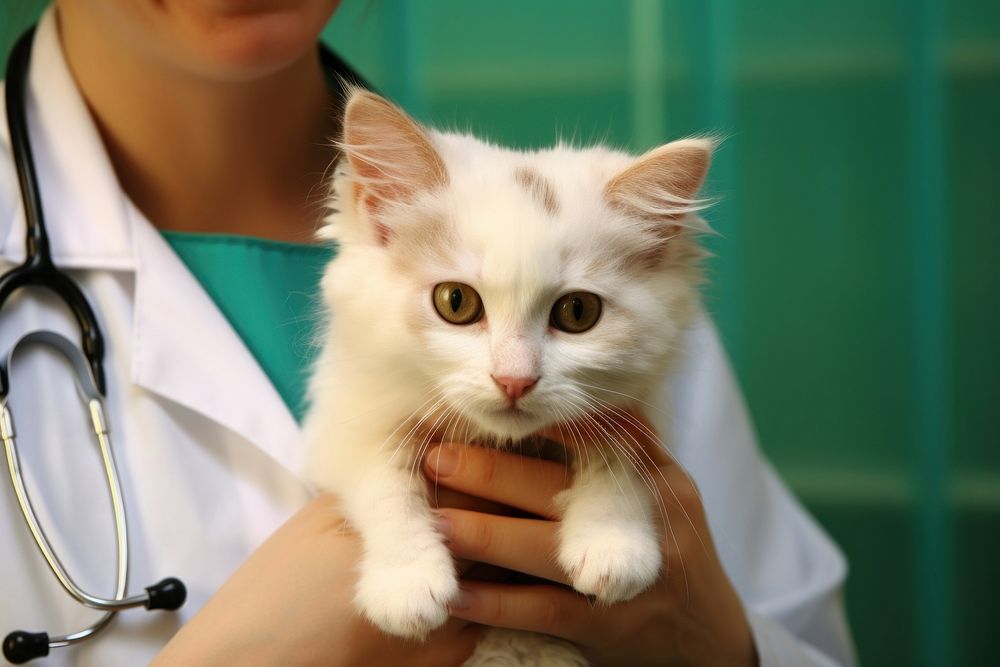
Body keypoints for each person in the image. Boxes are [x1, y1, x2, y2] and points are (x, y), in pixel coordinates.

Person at [0, 1, 855, 665]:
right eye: (458, 305)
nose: (516, 370)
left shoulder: (613, 281)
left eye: (572, 315)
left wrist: (720, 647)